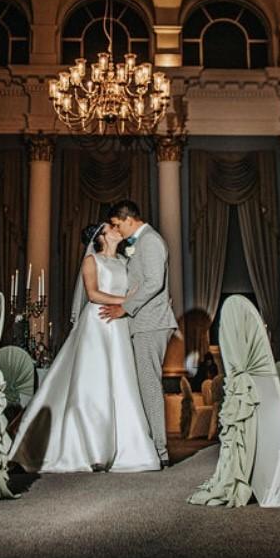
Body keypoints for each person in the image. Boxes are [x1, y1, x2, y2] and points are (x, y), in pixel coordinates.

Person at [7, 222, 159, 473]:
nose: (116, 228)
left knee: (121, 381)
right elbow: (94, 294)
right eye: (111, 227)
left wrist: (134, 302)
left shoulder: (124, 262)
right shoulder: (92, 261)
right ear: (101, 236)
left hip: (118, 325)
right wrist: (127, 301)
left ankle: (126, 447)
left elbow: (136, 289)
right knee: (92, 383)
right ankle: (90, 448)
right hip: (97, 324)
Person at [99, 199, 177, 467]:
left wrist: (125, 308)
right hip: (142, 322)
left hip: (151, 323)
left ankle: (160, 450)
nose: (116, 230)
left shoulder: (151, 241)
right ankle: (149, 445)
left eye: (117, 224)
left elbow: (155, 282)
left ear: (129, 219)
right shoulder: (137, 244)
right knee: (142, 384)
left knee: (149, 384)